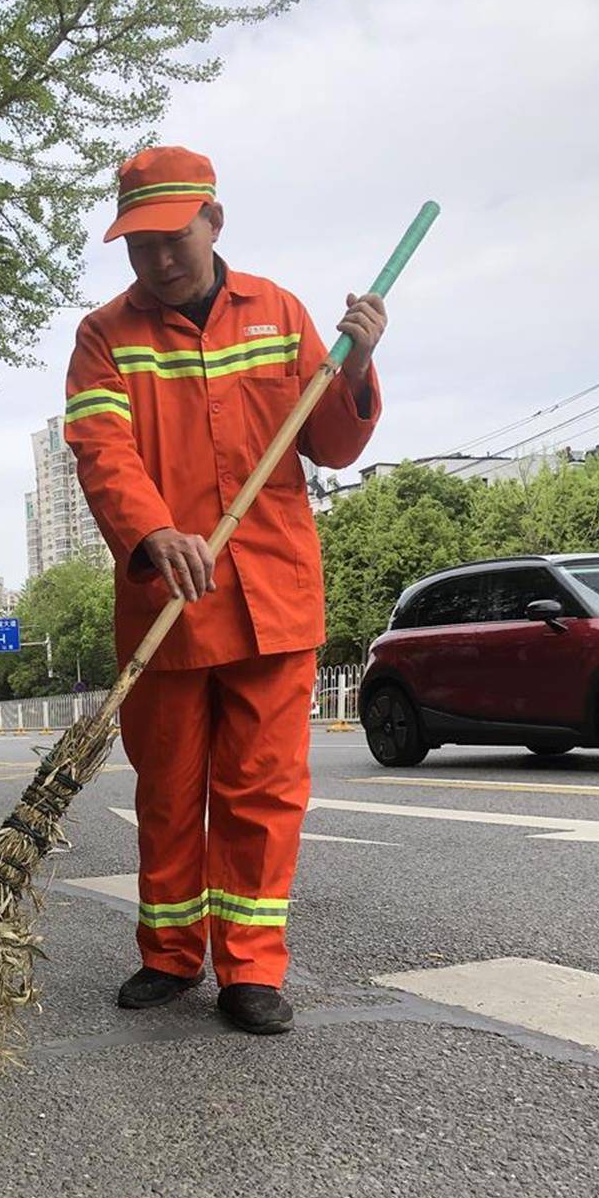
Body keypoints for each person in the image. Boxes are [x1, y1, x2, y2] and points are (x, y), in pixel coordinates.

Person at [64, 146, 386, 1035]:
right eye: (139, 246)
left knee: (262, 791)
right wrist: (150, 531)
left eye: (173, 239)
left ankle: (250, 967)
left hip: (272, 592)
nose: (158, 260)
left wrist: (354, 367)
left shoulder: (279, 315)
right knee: (168, 789)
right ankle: (170, 954)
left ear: (214, 219)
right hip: (167, 600)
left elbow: (330, 442)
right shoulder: (105, 338)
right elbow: (102, 450)